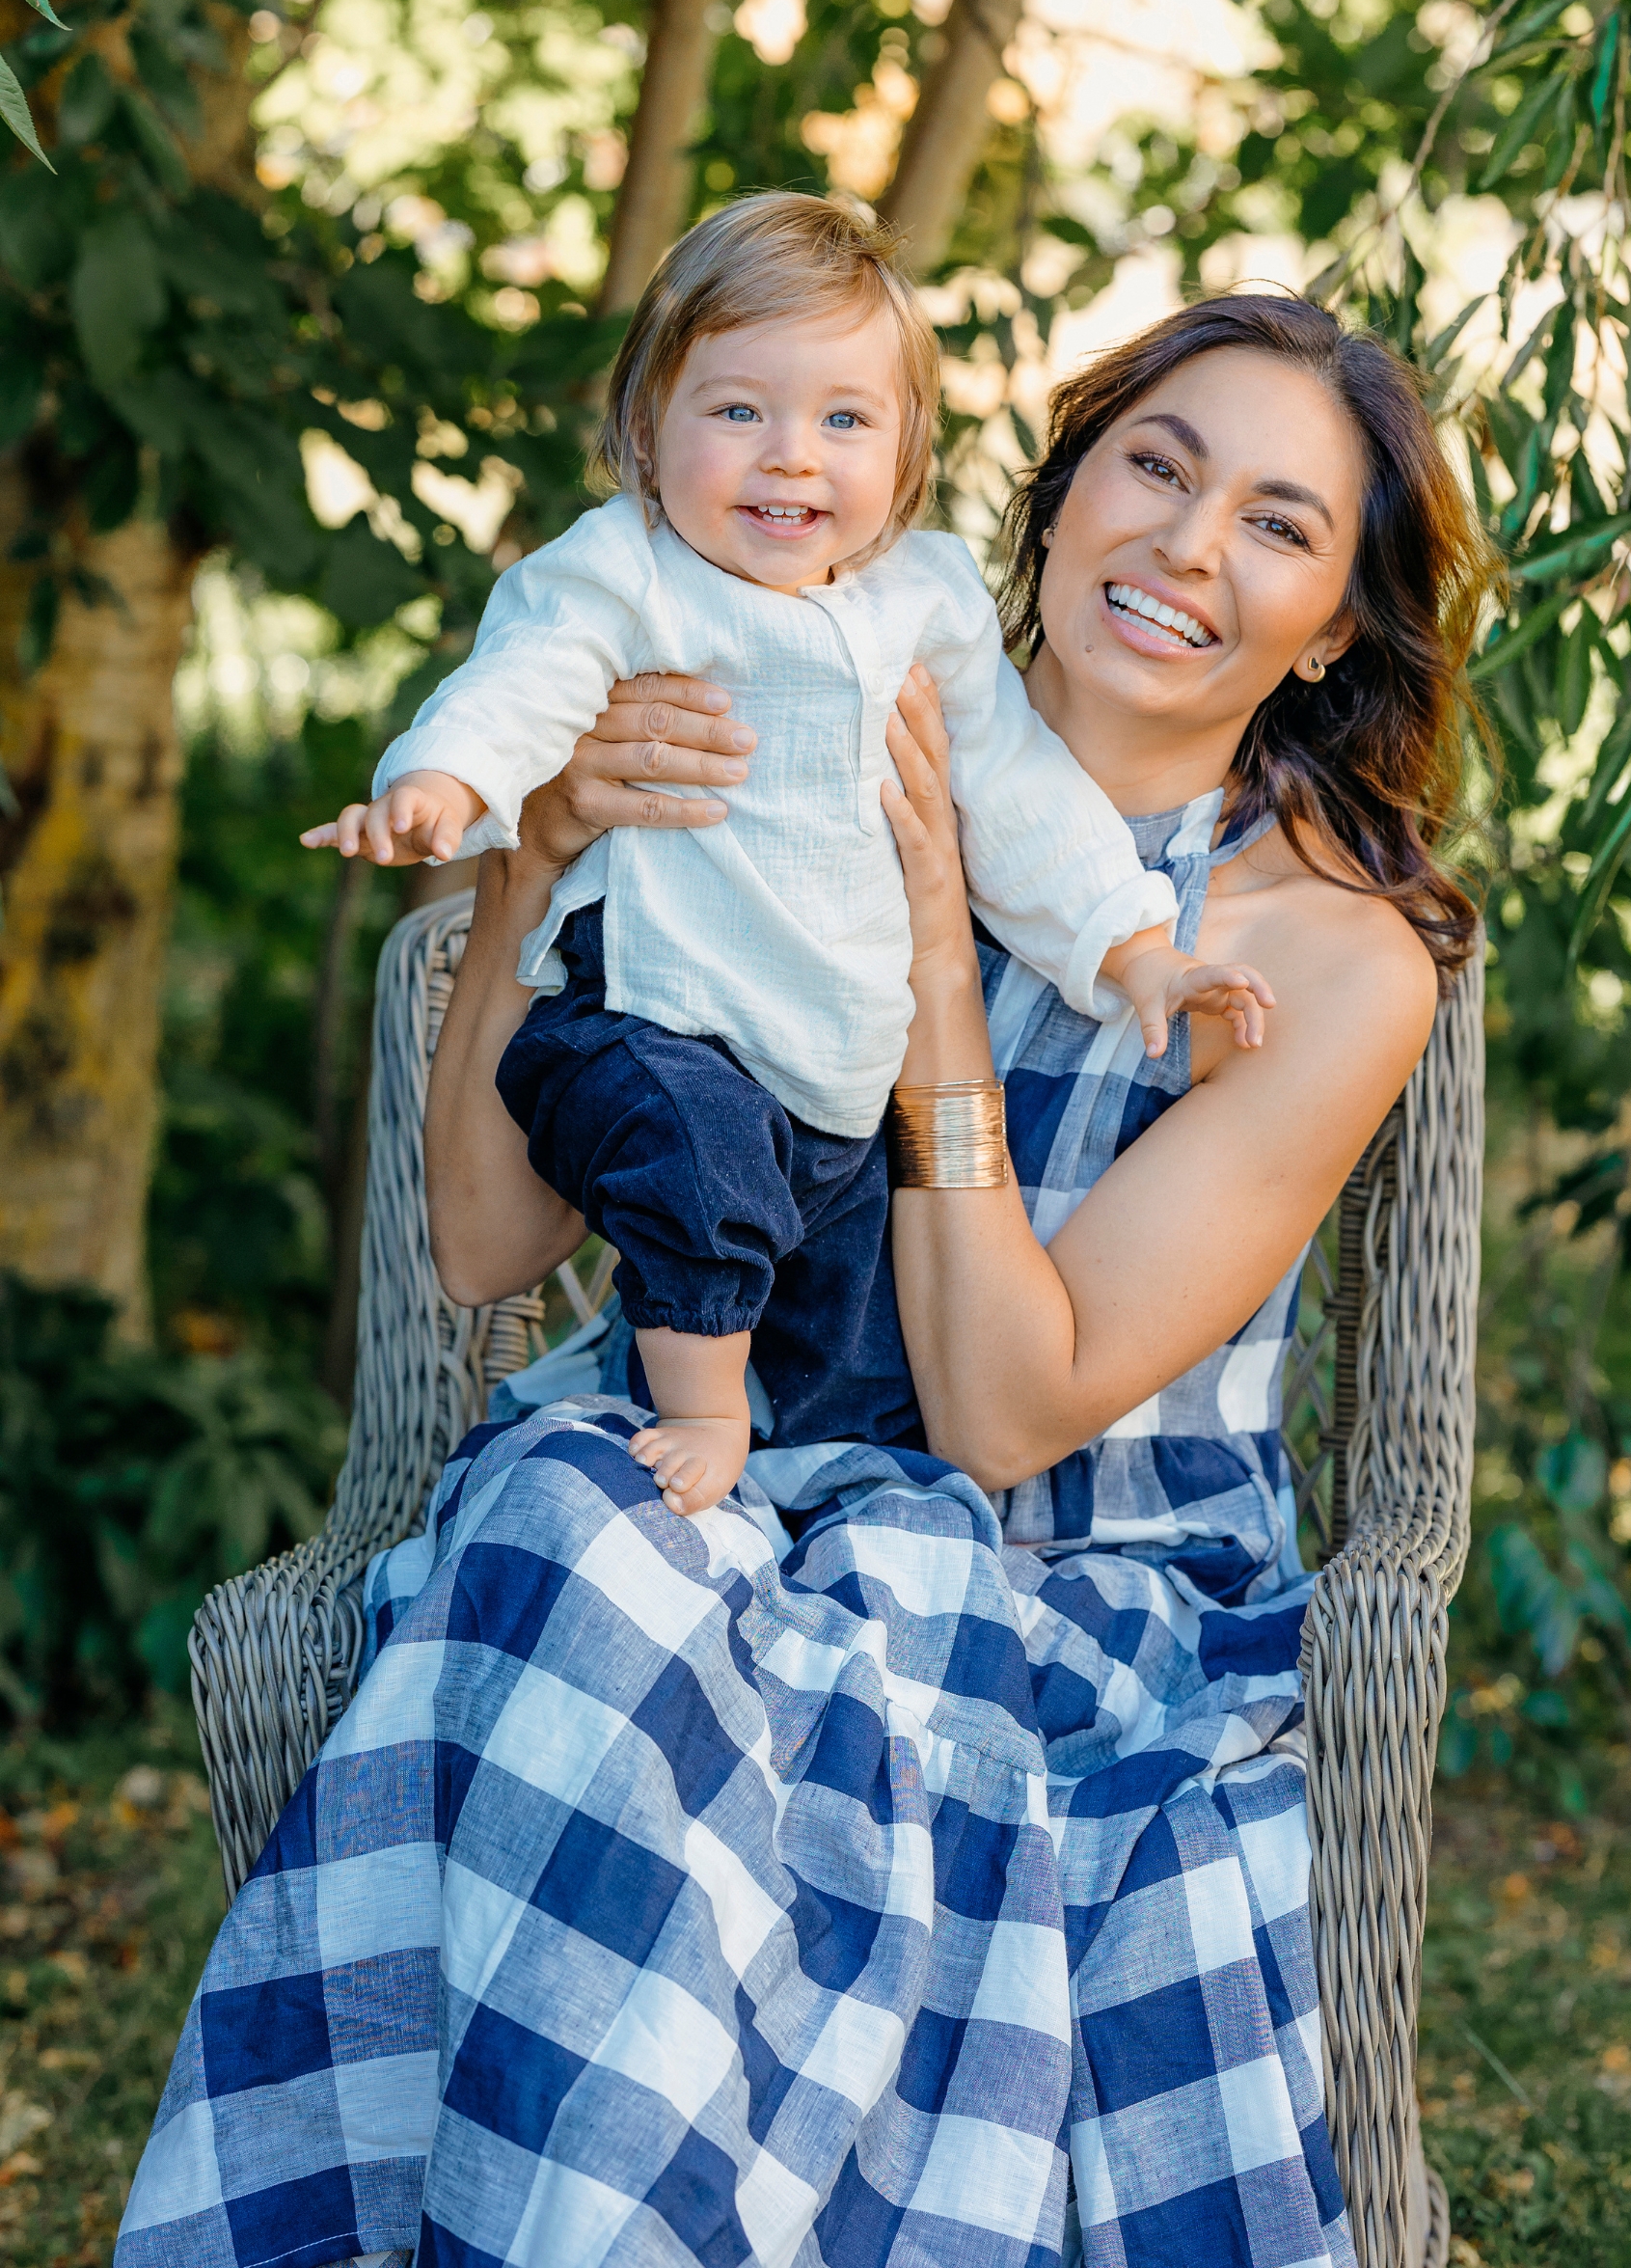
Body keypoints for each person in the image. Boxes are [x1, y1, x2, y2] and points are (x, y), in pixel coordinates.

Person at [119, 290, 1493, 2268]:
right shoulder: (771, 725)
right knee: (588, 1534)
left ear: (1338, 622)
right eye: (1159, 466)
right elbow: (496, 1247)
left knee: (689, 1624)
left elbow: (1015, 1407)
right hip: (717, 1455)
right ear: (1059, 486)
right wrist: (541, 855)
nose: (1190, 547)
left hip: (1064, 1560)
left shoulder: (1330, 957)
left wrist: (942, 966)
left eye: (1279, 524)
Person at [303, 194, 1262, 1515]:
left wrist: (1132, 945)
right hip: (656, 1017)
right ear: (647, 431)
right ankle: (699, 1413)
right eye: (738, 412)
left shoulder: (919, 607)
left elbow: (1019, 792)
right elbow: (525, 680)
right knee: (693, 1168)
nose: (790, 460)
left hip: (841, 1065)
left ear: (911, 454)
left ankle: (826, 1499)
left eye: (844, 421)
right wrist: (445, 783)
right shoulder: (631, 576)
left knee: (857, 1329)